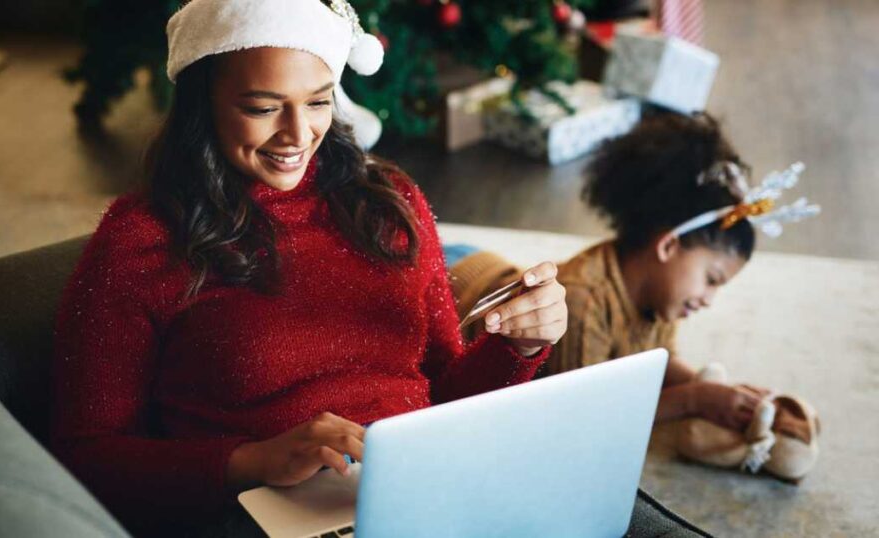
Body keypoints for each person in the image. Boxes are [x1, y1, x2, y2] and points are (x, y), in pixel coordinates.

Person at [50, 0, 567, 534]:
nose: (298, 134)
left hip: (419, 488)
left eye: (318, 102)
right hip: (259, 513)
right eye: (263, 108)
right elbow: (85, 455)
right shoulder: (142, 239)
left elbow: (445, 395)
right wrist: (252, 460)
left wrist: (518, 347)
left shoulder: (390, 202)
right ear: (202, 104)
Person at [452, 113, 773, 432]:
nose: (709, 299)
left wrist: (709, 389)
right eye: (711, 280)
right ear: (668, 247)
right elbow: (586, 416)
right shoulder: (584, 302)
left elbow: (658, 359)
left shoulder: (660, 294)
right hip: (457, 282)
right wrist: (693, 400)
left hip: (487, 266)